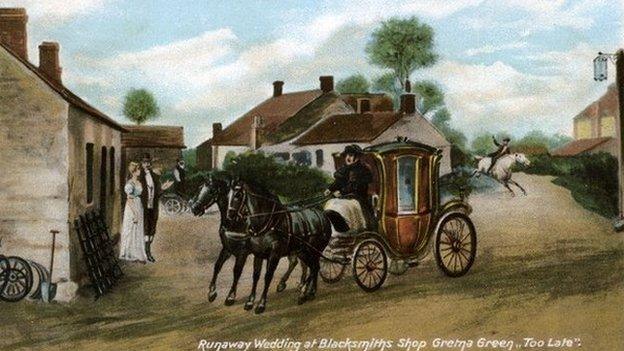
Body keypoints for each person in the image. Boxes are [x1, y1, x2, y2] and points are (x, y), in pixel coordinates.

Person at [324, 144, 375, 229]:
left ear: (357, 157)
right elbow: (338, 182)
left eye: (350, 155)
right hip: (344, 197)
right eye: (346, 155)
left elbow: (357, 186)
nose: (348, 158)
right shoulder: (345, 169)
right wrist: (330, 189)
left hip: (358, 198)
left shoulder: (363, 170)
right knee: (330, 203)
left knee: (344, 207)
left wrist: (342, 192)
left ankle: (351, 228)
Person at [139, 153, 172, 262]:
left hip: (153, 207)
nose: (147, 164)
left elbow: (158, 193)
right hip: (142, 207)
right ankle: (146, 253)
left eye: (148, 162)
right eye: (144, 162)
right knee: (144, 229)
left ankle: (148, 249)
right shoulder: (139, 177)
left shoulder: (155, 176)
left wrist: (164, 188)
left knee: (152, 229)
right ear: (142, 164)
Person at [119, 162, 147, 263]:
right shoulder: (129, 184)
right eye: (138, 170)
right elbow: (129, 199)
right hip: (132, 207)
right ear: (134, 171)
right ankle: (130, 253)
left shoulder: (139, 183)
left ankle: (137, 253)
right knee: (131, 227)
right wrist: (135, 213)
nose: (140, 171)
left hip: (138, 204)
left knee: (138, 228)